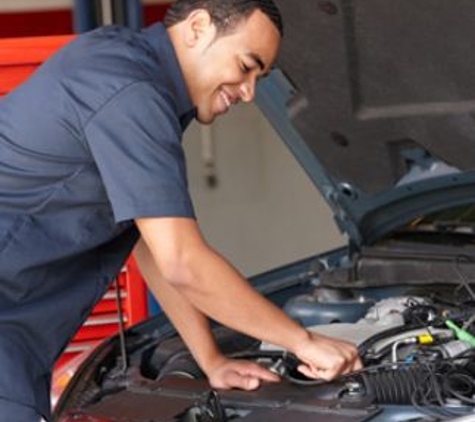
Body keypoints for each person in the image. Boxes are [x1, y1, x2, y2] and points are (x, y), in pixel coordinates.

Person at [0, 0, 361, 420]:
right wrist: (301, 341)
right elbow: (182, 261)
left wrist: (210, 360)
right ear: (198, 27)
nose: (248, 93)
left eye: (259, 78)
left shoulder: (129, 65)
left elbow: (151, 244)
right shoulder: (132, 92)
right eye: (246, 66)